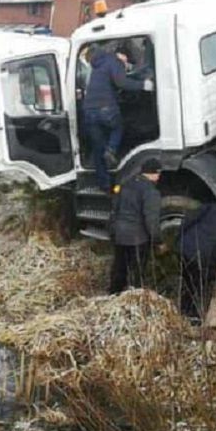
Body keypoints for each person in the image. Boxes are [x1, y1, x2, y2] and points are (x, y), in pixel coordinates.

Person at [81, 43, 153, 192]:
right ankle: (112, 150)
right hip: (105, 108)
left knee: (97, 148)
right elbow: (122, 82)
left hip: (89, 110)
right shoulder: (115, 61)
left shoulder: (96, 65)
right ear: (123, 55)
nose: (126, 64)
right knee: (118, 126)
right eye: (127, 61)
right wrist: (143, 85)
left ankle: (105, 185)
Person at [109, 158, 163, 294]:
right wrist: (158, 241)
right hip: (137, 238)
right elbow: (151, 220)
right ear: (153, 173)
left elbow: (114, 209)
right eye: (158, 173)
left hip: (119, 235)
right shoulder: (151, 192)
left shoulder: (126, 184)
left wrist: (112, 231)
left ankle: (113, 295)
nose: (159, 177)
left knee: (119, 268)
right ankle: (134, 298)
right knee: (137, 273)